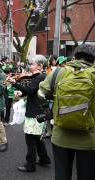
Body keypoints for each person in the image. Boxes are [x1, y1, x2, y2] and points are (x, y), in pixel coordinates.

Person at [38, 44, 95, 180]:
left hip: (61, 137)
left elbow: (40, 93)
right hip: (89, 139)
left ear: (74, 56)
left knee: (62, 175)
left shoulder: (58, 72)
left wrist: (53, 102)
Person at [8, 55, 51, 172]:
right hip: (38, 110)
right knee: (36, 137)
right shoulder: (42, 76)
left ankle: (30, 165)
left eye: (32, 64)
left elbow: (30, 90)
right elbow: (31, 92)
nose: (30, 67)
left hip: (35, 111)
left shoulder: (40, 77)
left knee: (30, 139)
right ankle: (44, 158)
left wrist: (14, 83)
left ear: (40, 65)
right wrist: (20, 93)